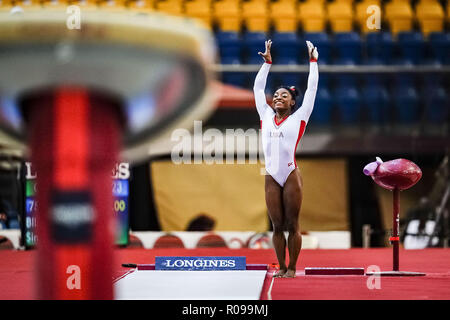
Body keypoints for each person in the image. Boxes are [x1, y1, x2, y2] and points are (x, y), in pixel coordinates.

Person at [254, 40, 319, 278]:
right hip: (271, 175)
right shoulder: (265, 114)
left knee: (293, 224)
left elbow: (311, 90)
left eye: (284, 96)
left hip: (291, 174)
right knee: (277, 225)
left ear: (293, 102)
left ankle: (293, 267)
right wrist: (266, 65)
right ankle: (281, 266)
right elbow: (258, 89)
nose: (278, 98)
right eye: (277, 95)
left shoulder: (301, 116)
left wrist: (313, 62)